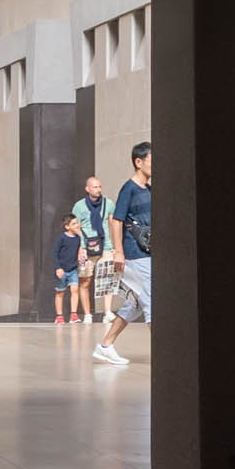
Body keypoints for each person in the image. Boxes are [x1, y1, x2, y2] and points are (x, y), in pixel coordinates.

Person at [94, 141, 151, 367]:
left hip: (147, 252)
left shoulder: (149, 189)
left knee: (135, 302)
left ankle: (105, 346)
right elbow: (116, 219)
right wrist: (118, 251)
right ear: (138, 162)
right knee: (152, 301)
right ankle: (167, 354)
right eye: (151, 159)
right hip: (135, 254)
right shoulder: (129, 188)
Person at [71, 175, 111, 324]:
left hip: (106, 246)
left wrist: (115, 247)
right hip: (86, 248)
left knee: (107, 279)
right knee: (85, 281)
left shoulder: (108, 204)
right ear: (87, 189)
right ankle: (87, 314)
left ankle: (107, 312)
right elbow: (74, 226)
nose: (98, 189)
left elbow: (113, 224)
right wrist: (79, 248)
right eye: (95, 187)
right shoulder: (79, 206)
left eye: (99, 186)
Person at [53, 215, 84, 322]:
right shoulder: (61, 238)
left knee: (75, 289)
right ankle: (59, 316)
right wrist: (58, 268)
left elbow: (83, 248)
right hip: (62, 269)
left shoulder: (79, 238)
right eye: (74, 224)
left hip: (73, 269)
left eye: (77, 222)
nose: (77, 225)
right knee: (60, 292)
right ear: (67, 227)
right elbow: (55, 254)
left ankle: (74, 314)